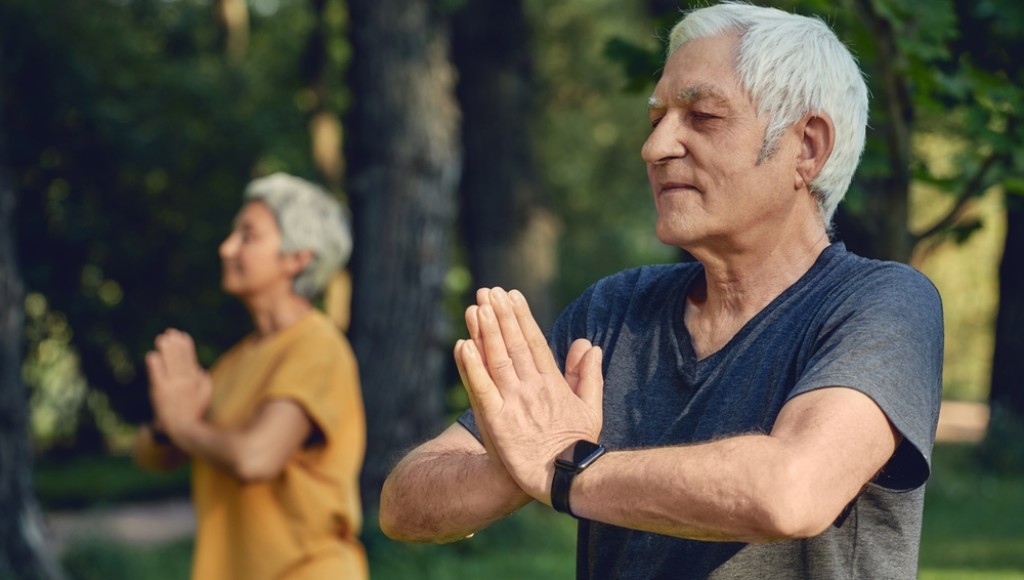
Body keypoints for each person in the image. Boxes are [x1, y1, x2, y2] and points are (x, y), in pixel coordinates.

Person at [378, 2, 944, 579]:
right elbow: (403, 504)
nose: (655, 148)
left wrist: (568, 468)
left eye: (702, 116)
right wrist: (526, 460)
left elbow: (791, 490)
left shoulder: (884, 304)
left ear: (807, 147)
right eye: (656, 120)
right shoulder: (614, 310)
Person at [133, 172, 367, 580]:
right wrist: (165, 422)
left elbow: (256, 456)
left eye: (248, 235)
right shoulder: (234, 362)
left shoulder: (317, 346)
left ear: (298, 258)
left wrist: (183, 425)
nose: (226, 248)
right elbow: (153, 456)